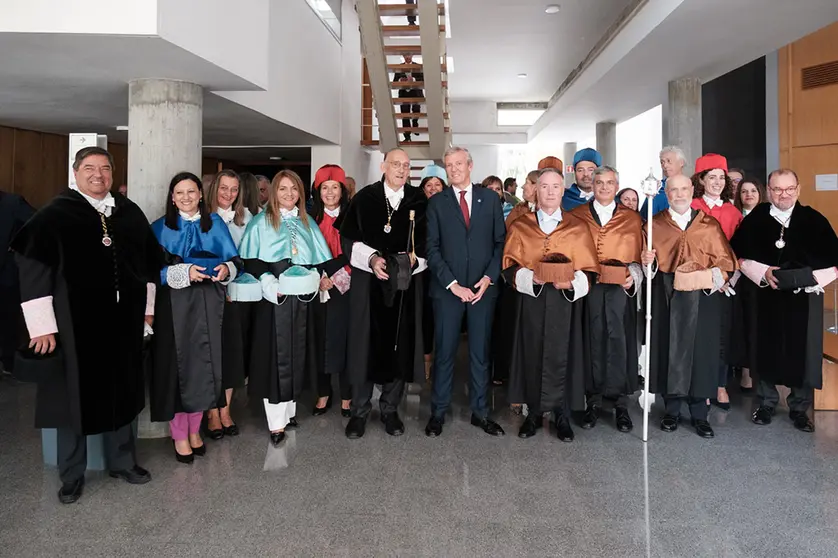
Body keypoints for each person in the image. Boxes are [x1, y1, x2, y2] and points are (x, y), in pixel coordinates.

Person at [11, 146, 159, 503]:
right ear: (75, 173)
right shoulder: (54, 214)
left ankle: (123, 461)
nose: (98, 175)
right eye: (89, 168)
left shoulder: (128, 212)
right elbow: (33, 271)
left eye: (105, 168)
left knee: (124, 391)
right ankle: (72, 475)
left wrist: (147, 310)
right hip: (74, 327)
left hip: (123, 324)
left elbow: (147, 265)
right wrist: (41, 327)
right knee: (71, 401)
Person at [731, 169, 838, 433]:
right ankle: (766, 403)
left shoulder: (814, 219)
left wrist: (809, 280)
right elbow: (739, 256)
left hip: (803, 299)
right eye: (777, 189)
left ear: (798, 189)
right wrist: (763, 273)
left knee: (802, 351)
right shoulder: (756, 218)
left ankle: (800, 409)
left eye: (789, 188)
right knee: (764, 347)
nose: (784, 194)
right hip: (765, 296)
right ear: (769, 191)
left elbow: (835, 261)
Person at [503, 168, 598, 441]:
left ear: (562, 189)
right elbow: (509, 265)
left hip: (565, 303)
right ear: (536, 190)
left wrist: (571, 284)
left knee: (565, 355)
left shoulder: (577, 227)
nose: (550, 192)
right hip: (532, 301)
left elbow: (590, 268)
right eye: (544, 186)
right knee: (531, 353)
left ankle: (562, 415)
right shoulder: (522, 226)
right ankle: (533, 413)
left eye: (556, 187)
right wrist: (529, 277)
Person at [150, 172, 238, 463]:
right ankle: (179, 434)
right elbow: (148, 271)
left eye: (191, 191)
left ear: (201, 194)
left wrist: (227, 268)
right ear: (172, 198)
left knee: (204, 364)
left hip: (208, 303)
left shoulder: (215, 225)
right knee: (177, 368)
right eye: (180, 193)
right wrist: (180, 272)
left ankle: (195, 429)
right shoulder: (159, 228)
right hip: (174, 305)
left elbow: (235, 260)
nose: (186, 197)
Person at [340, 148, 428, 439]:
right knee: (365, 344)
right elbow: (349, 238)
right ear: (383, 166)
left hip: (404, 285)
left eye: (406, 165)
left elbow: (427, 244)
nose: (401, 170)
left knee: (399, 344)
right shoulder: (364, 198)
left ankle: (390, 409)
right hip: (369, 284)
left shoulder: (418, 200)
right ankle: (360, 411)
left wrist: (413, 263)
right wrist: (373, 259)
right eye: (395, 164)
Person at [640, 174, 737, 438]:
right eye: (674, 190)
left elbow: (727, 264)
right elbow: (647, 269)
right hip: (667, 295)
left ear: (692, 190)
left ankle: (699, 414)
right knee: (669, 350)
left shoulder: (709, 225)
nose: (679, 194)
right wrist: (648, 261)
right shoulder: (654, 224)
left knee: (701, 354)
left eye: (684, 189)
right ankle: (671, 410)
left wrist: (709, 279)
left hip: (702, 297)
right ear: (666, 193)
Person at [239, 170, 332, 446]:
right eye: (283, 189)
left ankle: (290, 411)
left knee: (298, 354)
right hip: (275, 298)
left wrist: (322, 277)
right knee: (275, 358)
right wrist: (270, 283)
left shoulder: (307, 223)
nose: (289, 194)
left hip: (303, 299)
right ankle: (275, 422)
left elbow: (318, 259)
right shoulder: (260, 222)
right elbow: (252, 260)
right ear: (273, 193)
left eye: (294, 189)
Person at [425, 147, 506, 437]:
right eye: (449, 165)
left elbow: (500, 243)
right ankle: (438, 412)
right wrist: (453, 284)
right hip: (448, 291)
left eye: (458, 163)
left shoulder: (491, 199)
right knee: (445, 352)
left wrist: (488, 278)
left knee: (480, 354)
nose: (454, 169)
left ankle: (481, 412)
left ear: (470, 165)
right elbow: (431, 248)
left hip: (483, 290)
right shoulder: (437, 203)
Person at [570, 166, 643, 433]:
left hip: (619, 291)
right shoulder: (576, 216)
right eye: (599, 182)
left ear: (617, 185)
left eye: (609, 183)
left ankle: (621, 405)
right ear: (592, 184)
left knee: (620, 343)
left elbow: (640, 257)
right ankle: (593, 402)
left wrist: (633, 275)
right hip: (588, 289)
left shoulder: (632, 219)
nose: (603, 187)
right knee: (591, 342)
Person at [205, 170, 259, 439]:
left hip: (235, 294)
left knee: (231, 355)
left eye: (234, 189)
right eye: (223, 188)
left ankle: (225, 410)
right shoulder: (201, 218)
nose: (228, 194)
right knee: (209, 354)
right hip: (205, 293)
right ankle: (211, 412)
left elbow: (247, 257)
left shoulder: (246, 218)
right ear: (214, 189)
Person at [690, 154, 743, 411]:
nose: (717, 182)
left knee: (722, 335)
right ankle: (701, 384)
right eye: (711, 177)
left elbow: (738, 250)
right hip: (695, 280)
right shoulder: (691, 207)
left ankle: (720, 384)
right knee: (699, 335)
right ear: (700, 179)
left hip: (726, 283)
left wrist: (727, 278)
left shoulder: (733, 212)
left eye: (721, 178)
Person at [310, 165, 353, 418]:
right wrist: (319, 277)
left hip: (346, 287)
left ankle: (347, 395)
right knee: (319, 339)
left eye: (334, 187)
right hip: (316, 287)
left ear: (342, 190)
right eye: (324, 188)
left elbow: (358, 252)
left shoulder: (353, 216)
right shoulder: (309, 219)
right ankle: (323, 392)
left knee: (345, 340)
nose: (329, 192)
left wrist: (336, 277)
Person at [0, 189, 34, 375]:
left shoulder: (12, 202)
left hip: (6, 274)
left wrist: (18, 247)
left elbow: (38, 224)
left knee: (7, 320)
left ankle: (9, 364)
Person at [419, 164, 448, 379]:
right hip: (422, 272)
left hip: (446, 272)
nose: (432, 188)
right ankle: (426, 360)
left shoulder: (451, 208)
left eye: (437, 184)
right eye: (428, 185)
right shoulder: (417, 210)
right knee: (425, 315)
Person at [640, 146, 687, 217]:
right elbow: (644, 217)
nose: (665, 165)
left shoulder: (692, 188)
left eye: (669, 161)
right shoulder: (656, 189)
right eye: (662, 162)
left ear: (681, 163)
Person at [394, 54, 423, 142]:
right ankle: (407, 136)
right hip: (404, 93)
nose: (407, 57)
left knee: (416, 109)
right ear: (403, 57)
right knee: (405, 114)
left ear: (412, 56)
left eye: (409, 55)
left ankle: (415, 125)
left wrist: (413, 79)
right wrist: (400, 80)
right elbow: (395, 80)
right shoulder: (399, 67)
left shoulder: (418, 66)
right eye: (405, 56)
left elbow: (422, 78)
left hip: (416, 92)